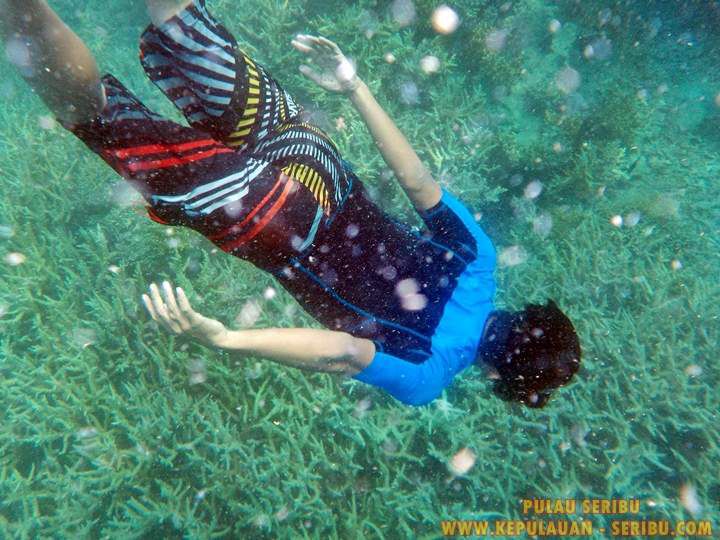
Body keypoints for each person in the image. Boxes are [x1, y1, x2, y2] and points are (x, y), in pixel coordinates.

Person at [3, 0, 581, 407]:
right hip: (276, 223)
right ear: (501, 376)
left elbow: (417, 181)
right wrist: (226, 339)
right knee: (100, 115)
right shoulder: (428, 375)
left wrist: (356, 87)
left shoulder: (481, 261)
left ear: (532, 316)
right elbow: (344, 353)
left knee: (181, 21)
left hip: (321, 166)